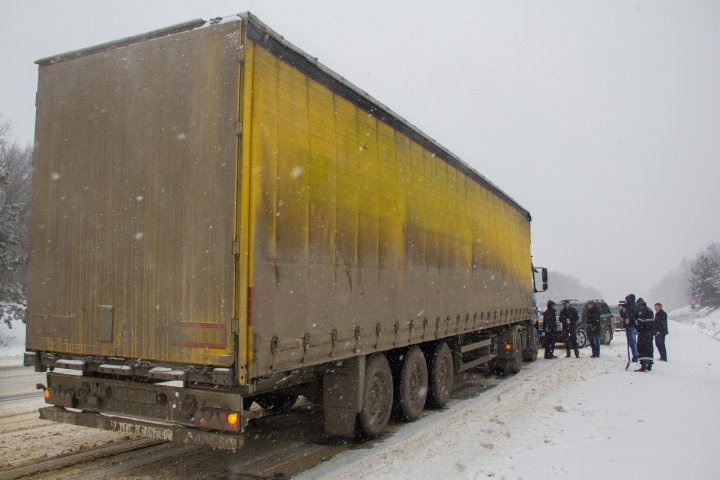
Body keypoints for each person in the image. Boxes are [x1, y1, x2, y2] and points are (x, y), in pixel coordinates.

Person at [635, 297, 655, 372]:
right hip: (650, 333)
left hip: (644, 332)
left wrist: (636, 324)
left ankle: (643, 366)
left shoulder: (641, 310)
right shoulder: (649, 309)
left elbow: (640, 322)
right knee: (649, 348)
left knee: (642, 348)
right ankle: (649, 364)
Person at [621, 294, 639, 362]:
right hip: (629, 326)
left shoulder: (633, 307)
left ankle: (635, 356)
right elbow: (623, 315)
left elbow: (633, 316)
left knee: (632, 342)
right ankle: (635, 355)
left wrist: (630, 320)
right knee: (631, 342)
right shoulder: (628, 307)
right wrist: (621, 310)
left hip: (631, 326)